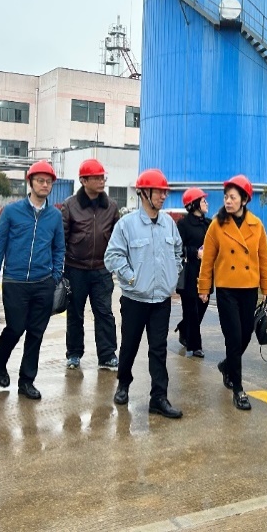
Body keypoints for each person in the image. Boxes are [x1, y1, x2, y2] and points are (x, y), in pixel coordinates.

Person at [105, 168, 184, 419]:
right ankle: (123, 384)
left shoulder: (169, 224)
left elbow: (178, 252)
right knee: (129, 345)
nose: (163, 196)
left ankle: (158, 397)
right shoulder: (126, 225)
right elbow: (112, 256)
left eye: (164, 192)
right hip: (134, 299)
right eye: (159, 192)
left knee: (158, 349)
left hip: (161, 300)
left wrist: (172, 275)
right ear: (144, 193)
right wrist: (131, 278)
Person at [0, 161, 65, 400]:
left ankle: (27, 381)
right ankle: (0, 359)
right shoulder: (12, 212)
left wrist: (54, 277)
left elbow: (59, 249)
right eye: (40, 180)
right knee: (16, 327)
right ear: (30, 182)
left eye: (48, 181)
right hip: (15, 281)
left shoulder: (55, 216)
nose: (45, 185)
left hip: (43, 283)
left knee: (36, 333)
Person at [198, 174, 267, 411]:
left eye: (233, 197)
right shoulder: (217, 225)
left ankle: (227, 366)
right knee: (233, 337)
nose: (228, 201)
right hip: (227, 289)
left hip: (249, 288)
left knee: (246, 334)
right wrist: (204, 287)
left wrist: (266, 288)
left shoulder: (257, 225)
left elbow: (263, 259)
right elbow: (207, 259)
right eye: (226, 197)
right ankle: (238, 389)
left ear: (244, 200)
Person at [61, 158, 121, 372]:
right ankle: (74, 354)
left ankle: (107, 355)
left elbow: (118, 240)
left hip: (102, 270)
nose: (101, 181)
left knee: (104, 313)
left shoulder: (111, 207)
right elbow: (62, 239)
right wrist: (59, 270)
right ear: (83, 181)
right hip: (75, 269)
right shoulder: (70, 205)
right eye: (96, 178)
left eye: (103, 177)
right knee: (75, 313)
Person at [173, 187, 211, 358]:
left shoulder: (209, 223)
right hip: (189, 272)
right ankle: (195, 346)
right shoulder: (183, 224)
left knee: (202, 306)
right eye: (203, 201)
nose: (206, 203)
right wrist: (195, 252)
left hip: (206, 272)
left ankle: (183, 328)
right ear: (194, 204)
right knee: (191, 310)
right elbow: (177, 247)